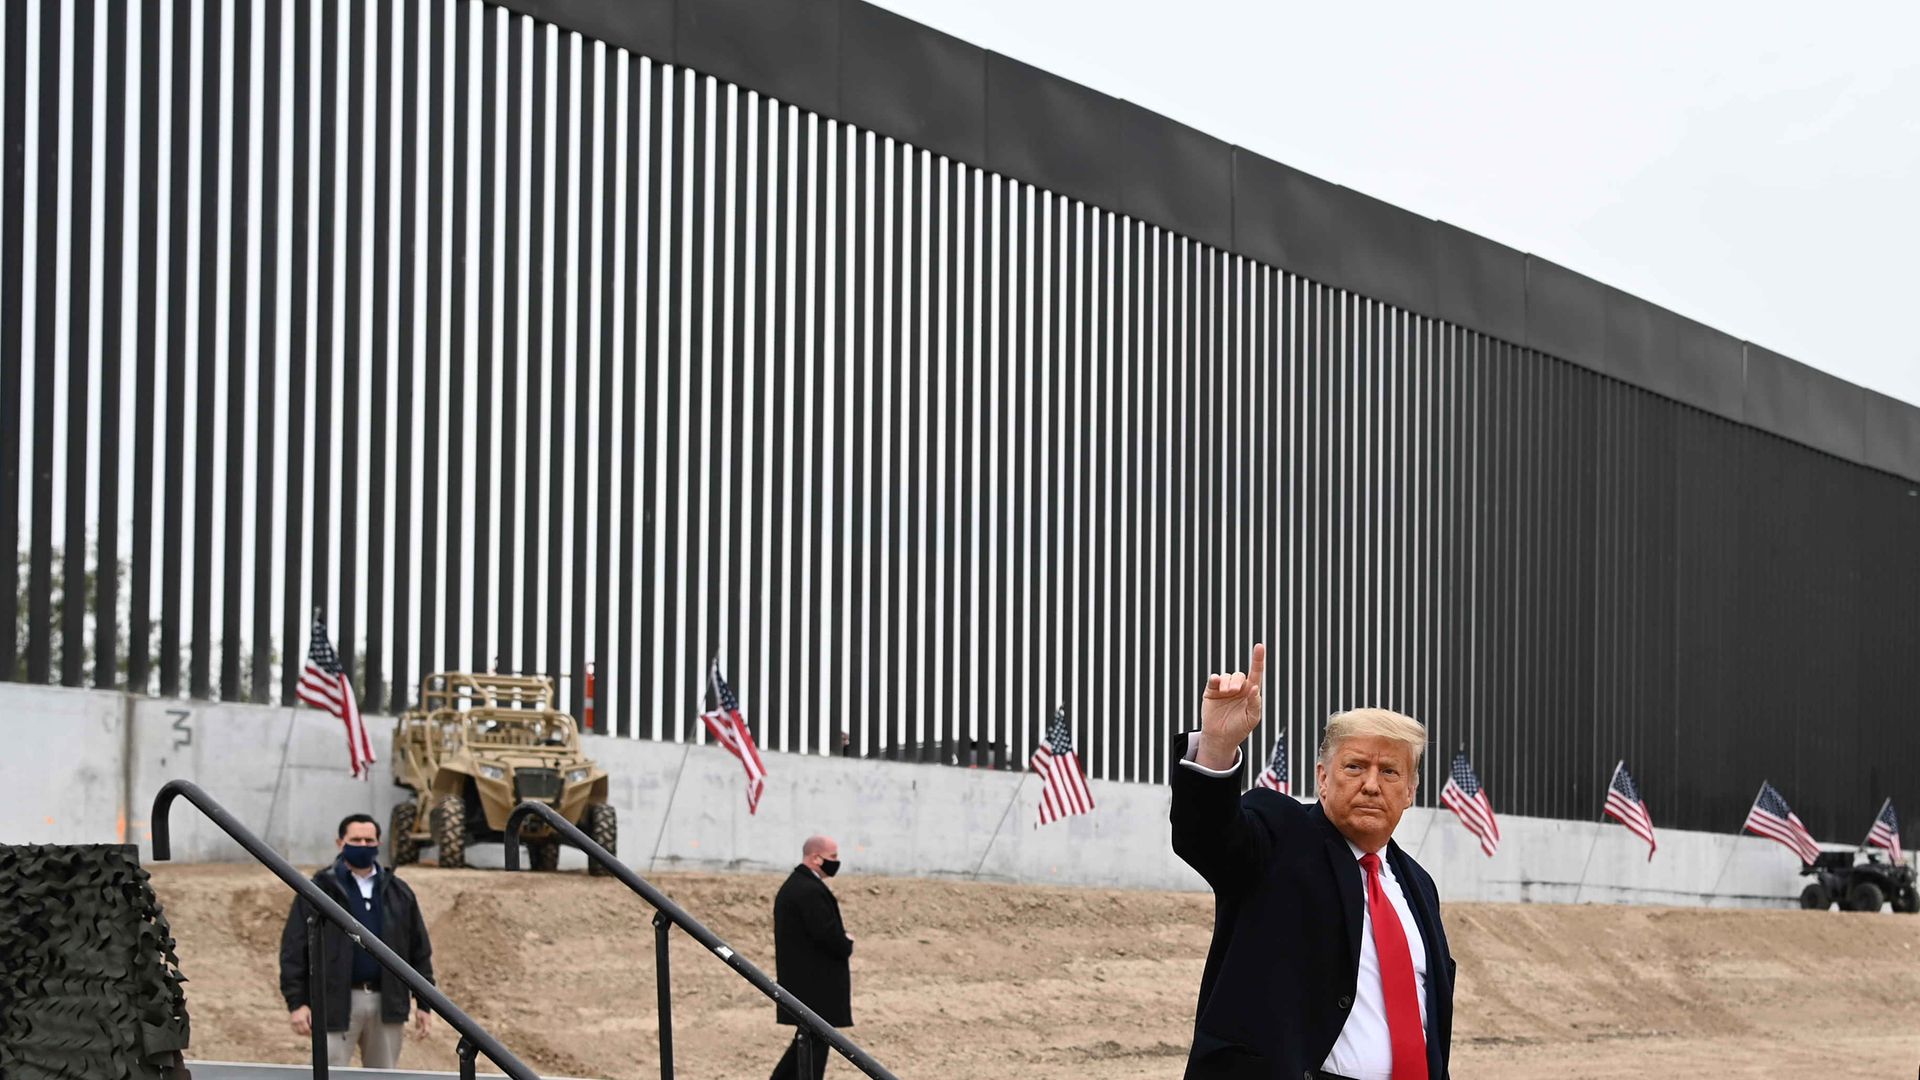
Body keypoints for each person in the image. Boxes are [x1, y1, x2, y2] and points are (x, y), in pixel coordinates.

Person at [1171, 643, 1455, 1080]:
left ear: (1412, 790)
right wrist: (1216, 746)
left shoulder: (1419, 886)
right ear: (1323, 776)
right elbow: (1206, 836)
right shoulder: (1278, 834)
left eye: (1390, 772)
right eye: (1355, 767)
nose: (1372, 786)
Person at [279, 812, 435, 1069]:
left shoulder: (398, 892)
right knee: (327, 1071)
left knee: (384, 1075)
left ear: (378, 842)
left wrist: (424, 1003)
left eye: (368, 840)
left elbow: (418, 950)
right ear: (340, 843)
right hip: (335, 1002)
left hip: (386, 1002)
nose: (363, 846)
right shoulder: (319, 890)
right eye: (356, 840)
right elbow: (295, 949)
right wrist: (297, 1003)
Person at [769, 835, 854, 1080]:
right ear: (816, 858)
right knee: (813, 1048)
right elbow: (826, 934)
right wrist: (846, 941)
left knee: (809, 1044)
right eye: (833, 857)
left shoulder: (800, 886)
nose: (837, 862)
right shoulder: (808, 890)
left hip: (807, 986)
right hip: (815, 989)